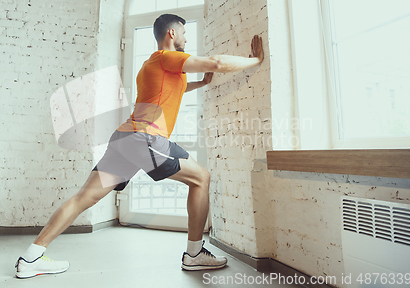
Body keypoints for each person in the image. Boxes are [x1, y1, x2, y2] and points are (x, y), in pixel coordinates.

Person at [15, 14, 264, 278]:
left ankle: (31, 257)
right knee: (201, 178)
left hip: (125, 139)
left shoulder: (150, 66)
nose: (186, 38)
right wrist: (255, 60)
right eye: (183, 32)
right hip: (145, 139)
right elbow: (217, 62)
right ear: (171, 33)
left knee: (83, 198)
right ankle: (194, 254)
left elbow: (171, 90)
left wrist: (201, 83)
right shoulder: (167, 57)